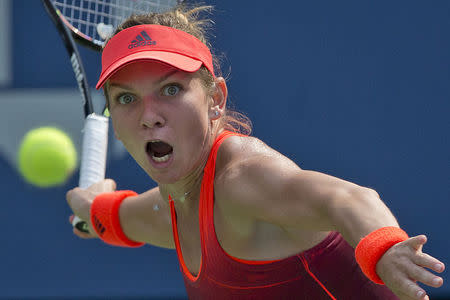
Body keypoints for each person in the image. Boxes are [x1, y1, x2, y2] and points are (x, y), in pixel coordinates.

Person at [66, 5, 445, 300]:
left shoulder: (242, 180)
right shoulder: (174, 206)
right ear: (113, 118)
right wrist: (93, 210)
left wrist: (386, 249)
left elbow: (347, 198)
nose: (149, 117)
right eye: (127, 98)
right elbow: (120, 217)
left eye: (170, 90)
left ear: (215, 99)